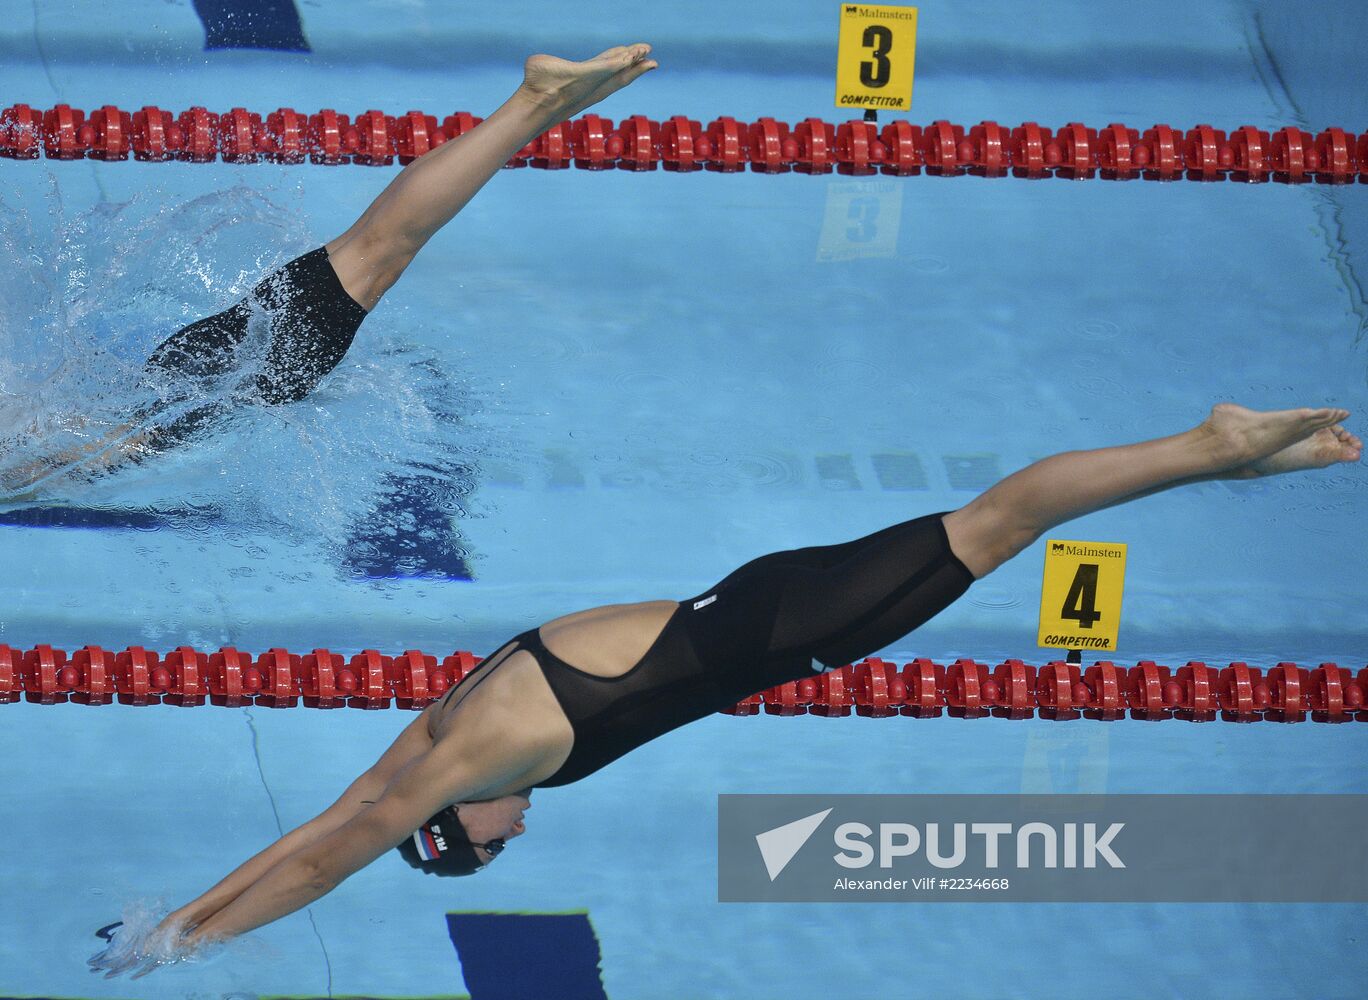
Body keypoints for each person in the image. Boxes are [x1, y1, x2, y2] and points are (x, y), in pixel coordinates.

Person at [89, 400, 1361, 978]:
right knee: (990, 524)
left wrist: (191, 944)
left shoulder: (458, 769)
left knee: (1000, 519)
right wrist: (177, 920)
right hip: (750, 606)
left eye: (483, 851)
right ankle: (1226, 459)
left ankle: (1212, 447)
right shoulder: (432, 743)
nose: (515, 832)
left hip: (776, 628)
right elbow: (311, 832)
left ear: (452, 823)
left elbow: (324, 861)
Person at [2, 44, 659, 497]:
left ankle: (532, 104)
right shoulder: (56, 423)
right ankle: (538, 109)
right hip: (198, 368)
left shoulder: (65, 441)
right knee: (378, 249)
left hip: (223, 374)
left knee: (380, 250)